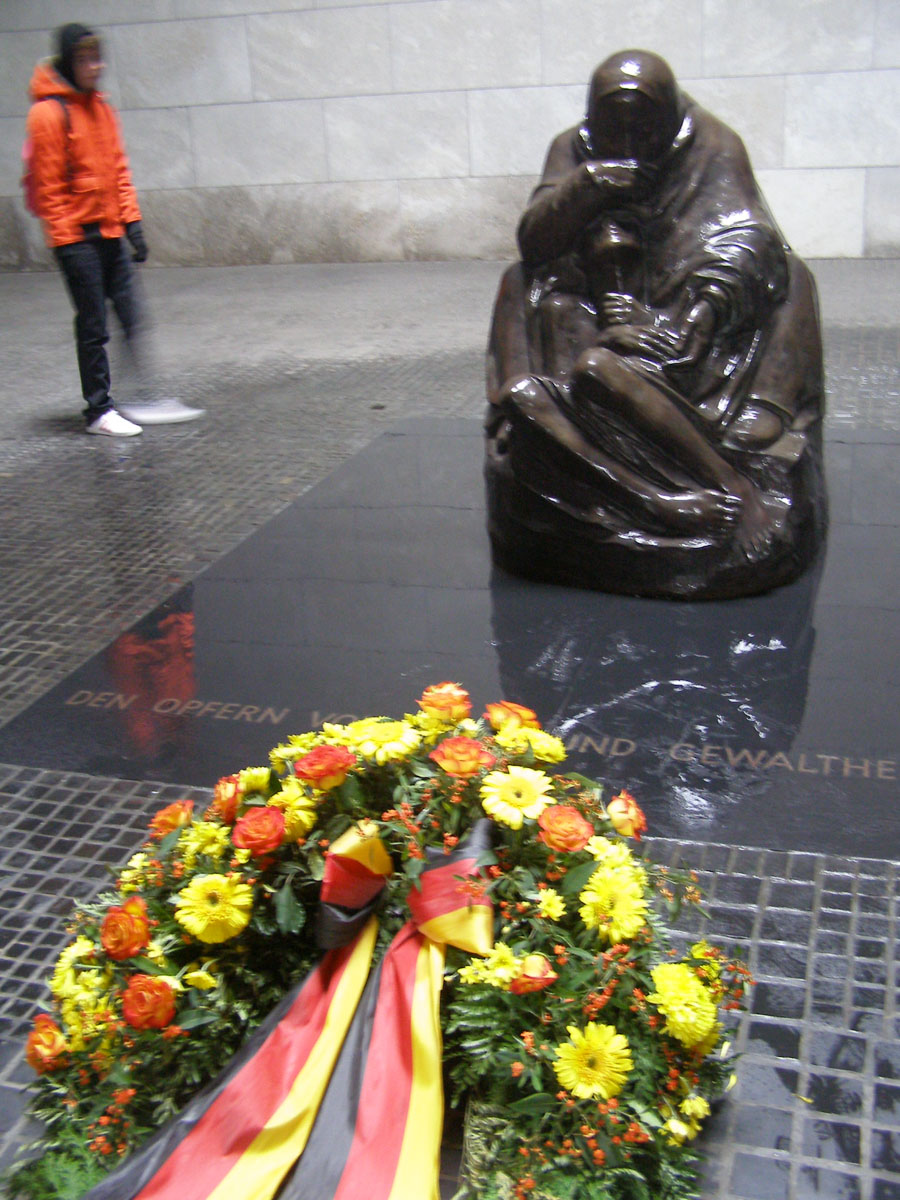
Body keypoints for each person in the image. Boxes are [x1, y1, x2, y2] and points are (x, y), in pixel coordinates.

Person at [485, 49, 825, 595]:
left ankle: (747, 423)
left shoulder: (713, 144)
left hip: (687, 299)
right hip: (597, 304)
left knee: (793, 279)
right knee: (524, 295)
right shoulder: (572, 149)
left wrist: (705, 306)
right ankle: (662, 491)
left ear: (668, 119)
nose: (627, 141)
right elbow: (536, 243)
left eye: (642, 128)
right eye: (612, 127)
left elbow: (748, 235)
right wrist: (587, 186)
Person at [26, 23, 203, 436]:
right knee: (93, 326)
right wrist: (68, 242)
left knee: (132, 315)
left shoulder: (101, 107)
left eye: (97, 57)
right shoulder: (48, 114)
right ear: (69, 62)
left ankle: (142, 396)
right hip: (78, 238)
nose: (96, 66)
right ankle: (98, 411)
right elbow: (50, 189)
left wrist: (132, 223)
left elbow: (118, 170)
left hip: (109, 231)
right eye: (86, 59)